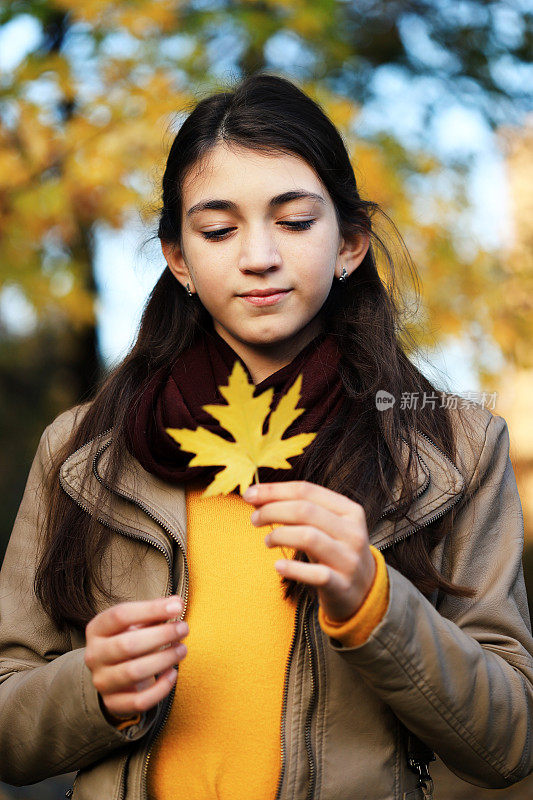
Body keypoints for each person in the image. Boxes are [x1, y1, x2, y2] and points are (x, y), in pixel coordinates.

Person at [0, 72, 532, 800]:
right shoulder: (82, 451)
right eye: (218, 229)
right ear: (178, 258)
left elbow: (508, 745)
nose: (258, 256)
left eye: (293, 221)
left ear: (348, 245)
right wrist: (88, 690)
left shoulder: (454, 448)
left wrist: (377, 602)